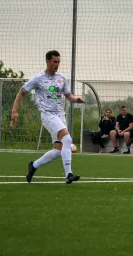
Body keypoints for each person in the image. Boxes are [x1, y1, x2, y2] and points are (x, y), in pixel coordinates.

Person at [11, 50, 84, 185]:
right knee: (67, 139)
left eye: (58, 62)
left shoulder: (61, 78)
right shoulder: (38, 78)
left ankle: (33, 166)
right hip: (48, 115)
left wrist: (76, 99)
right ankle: (69, 174)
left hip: (60, 115)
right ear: (48, 61)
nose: (57, 64)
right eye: (54, 62)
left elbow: (68, 96)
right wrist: (14, 111)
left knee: (58, 151)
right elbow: (21, 92)